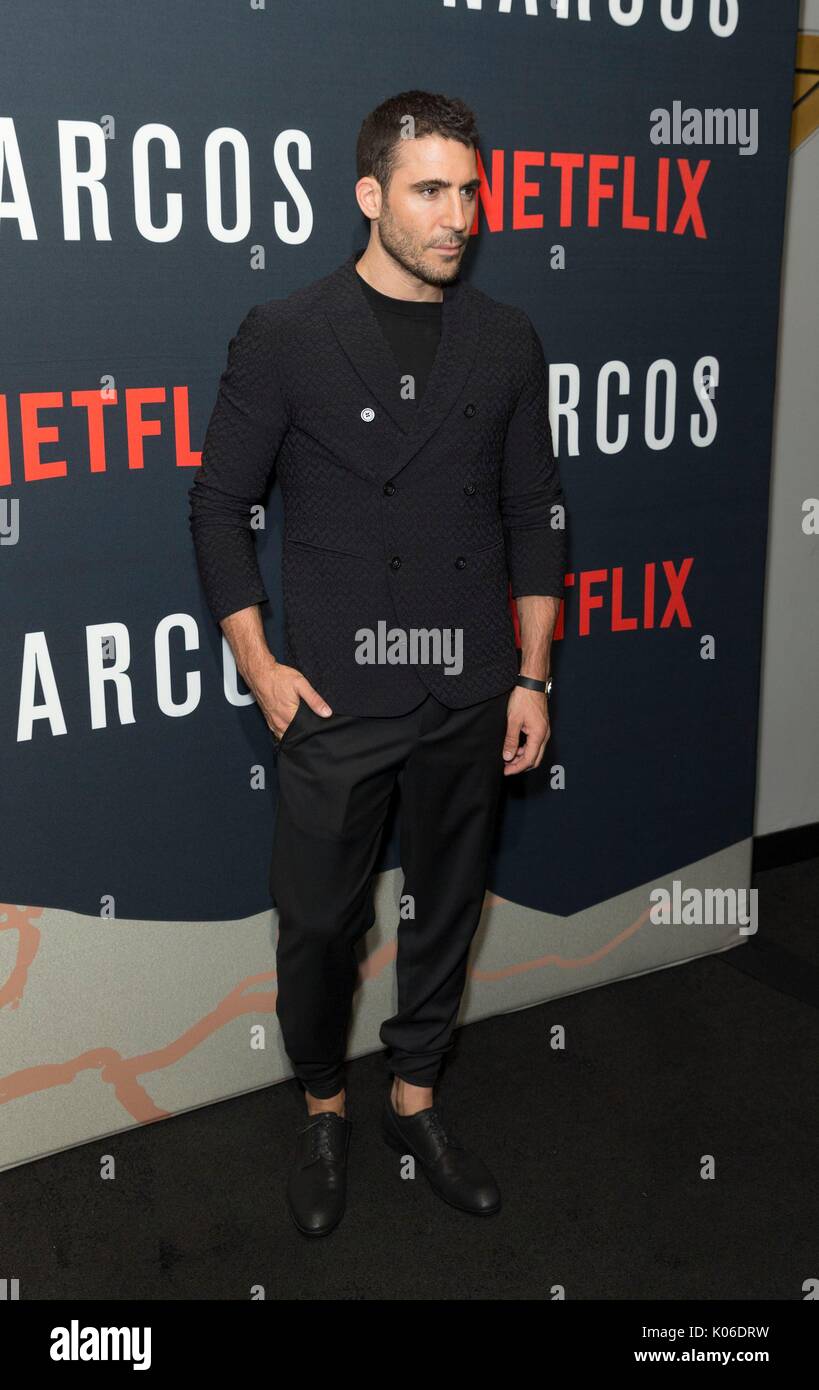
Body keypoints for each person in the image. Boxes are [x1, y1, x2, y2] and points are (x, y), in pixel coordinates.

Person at [188, 90, 567, 1237]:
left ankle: (414, 1098)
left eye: (470, 191)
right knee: (317, 928)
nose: (459, 216)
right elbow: (219, 507)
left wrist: (533, 674)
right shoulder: (287, 332)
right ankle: (322, 1106)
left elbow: (536, 512)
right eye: (430, 190)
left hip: (472, 686)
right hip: (337, 695)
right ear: (370, 195)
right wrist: (260, 664)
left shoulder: (506, 338)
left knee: (447, 910)